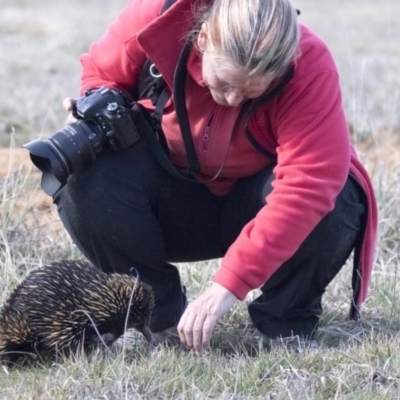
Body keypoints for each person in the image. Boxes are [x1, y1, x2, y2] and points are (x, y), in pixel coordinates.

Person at [54, 0, 377, 355]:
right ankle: (158, 316)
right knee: (82, 174)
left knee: (340, 191)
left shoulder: (310, 66)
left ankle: (285, 322)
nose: (234, 99)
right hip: (169, 196)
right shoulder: (154, 19)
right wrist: (95, 107)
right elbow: (102, 73)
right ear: (203, 38)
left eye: (254, 90)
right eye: (225, 82)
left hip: (258, 204)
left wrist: (230, 285)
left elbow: (310, 183)